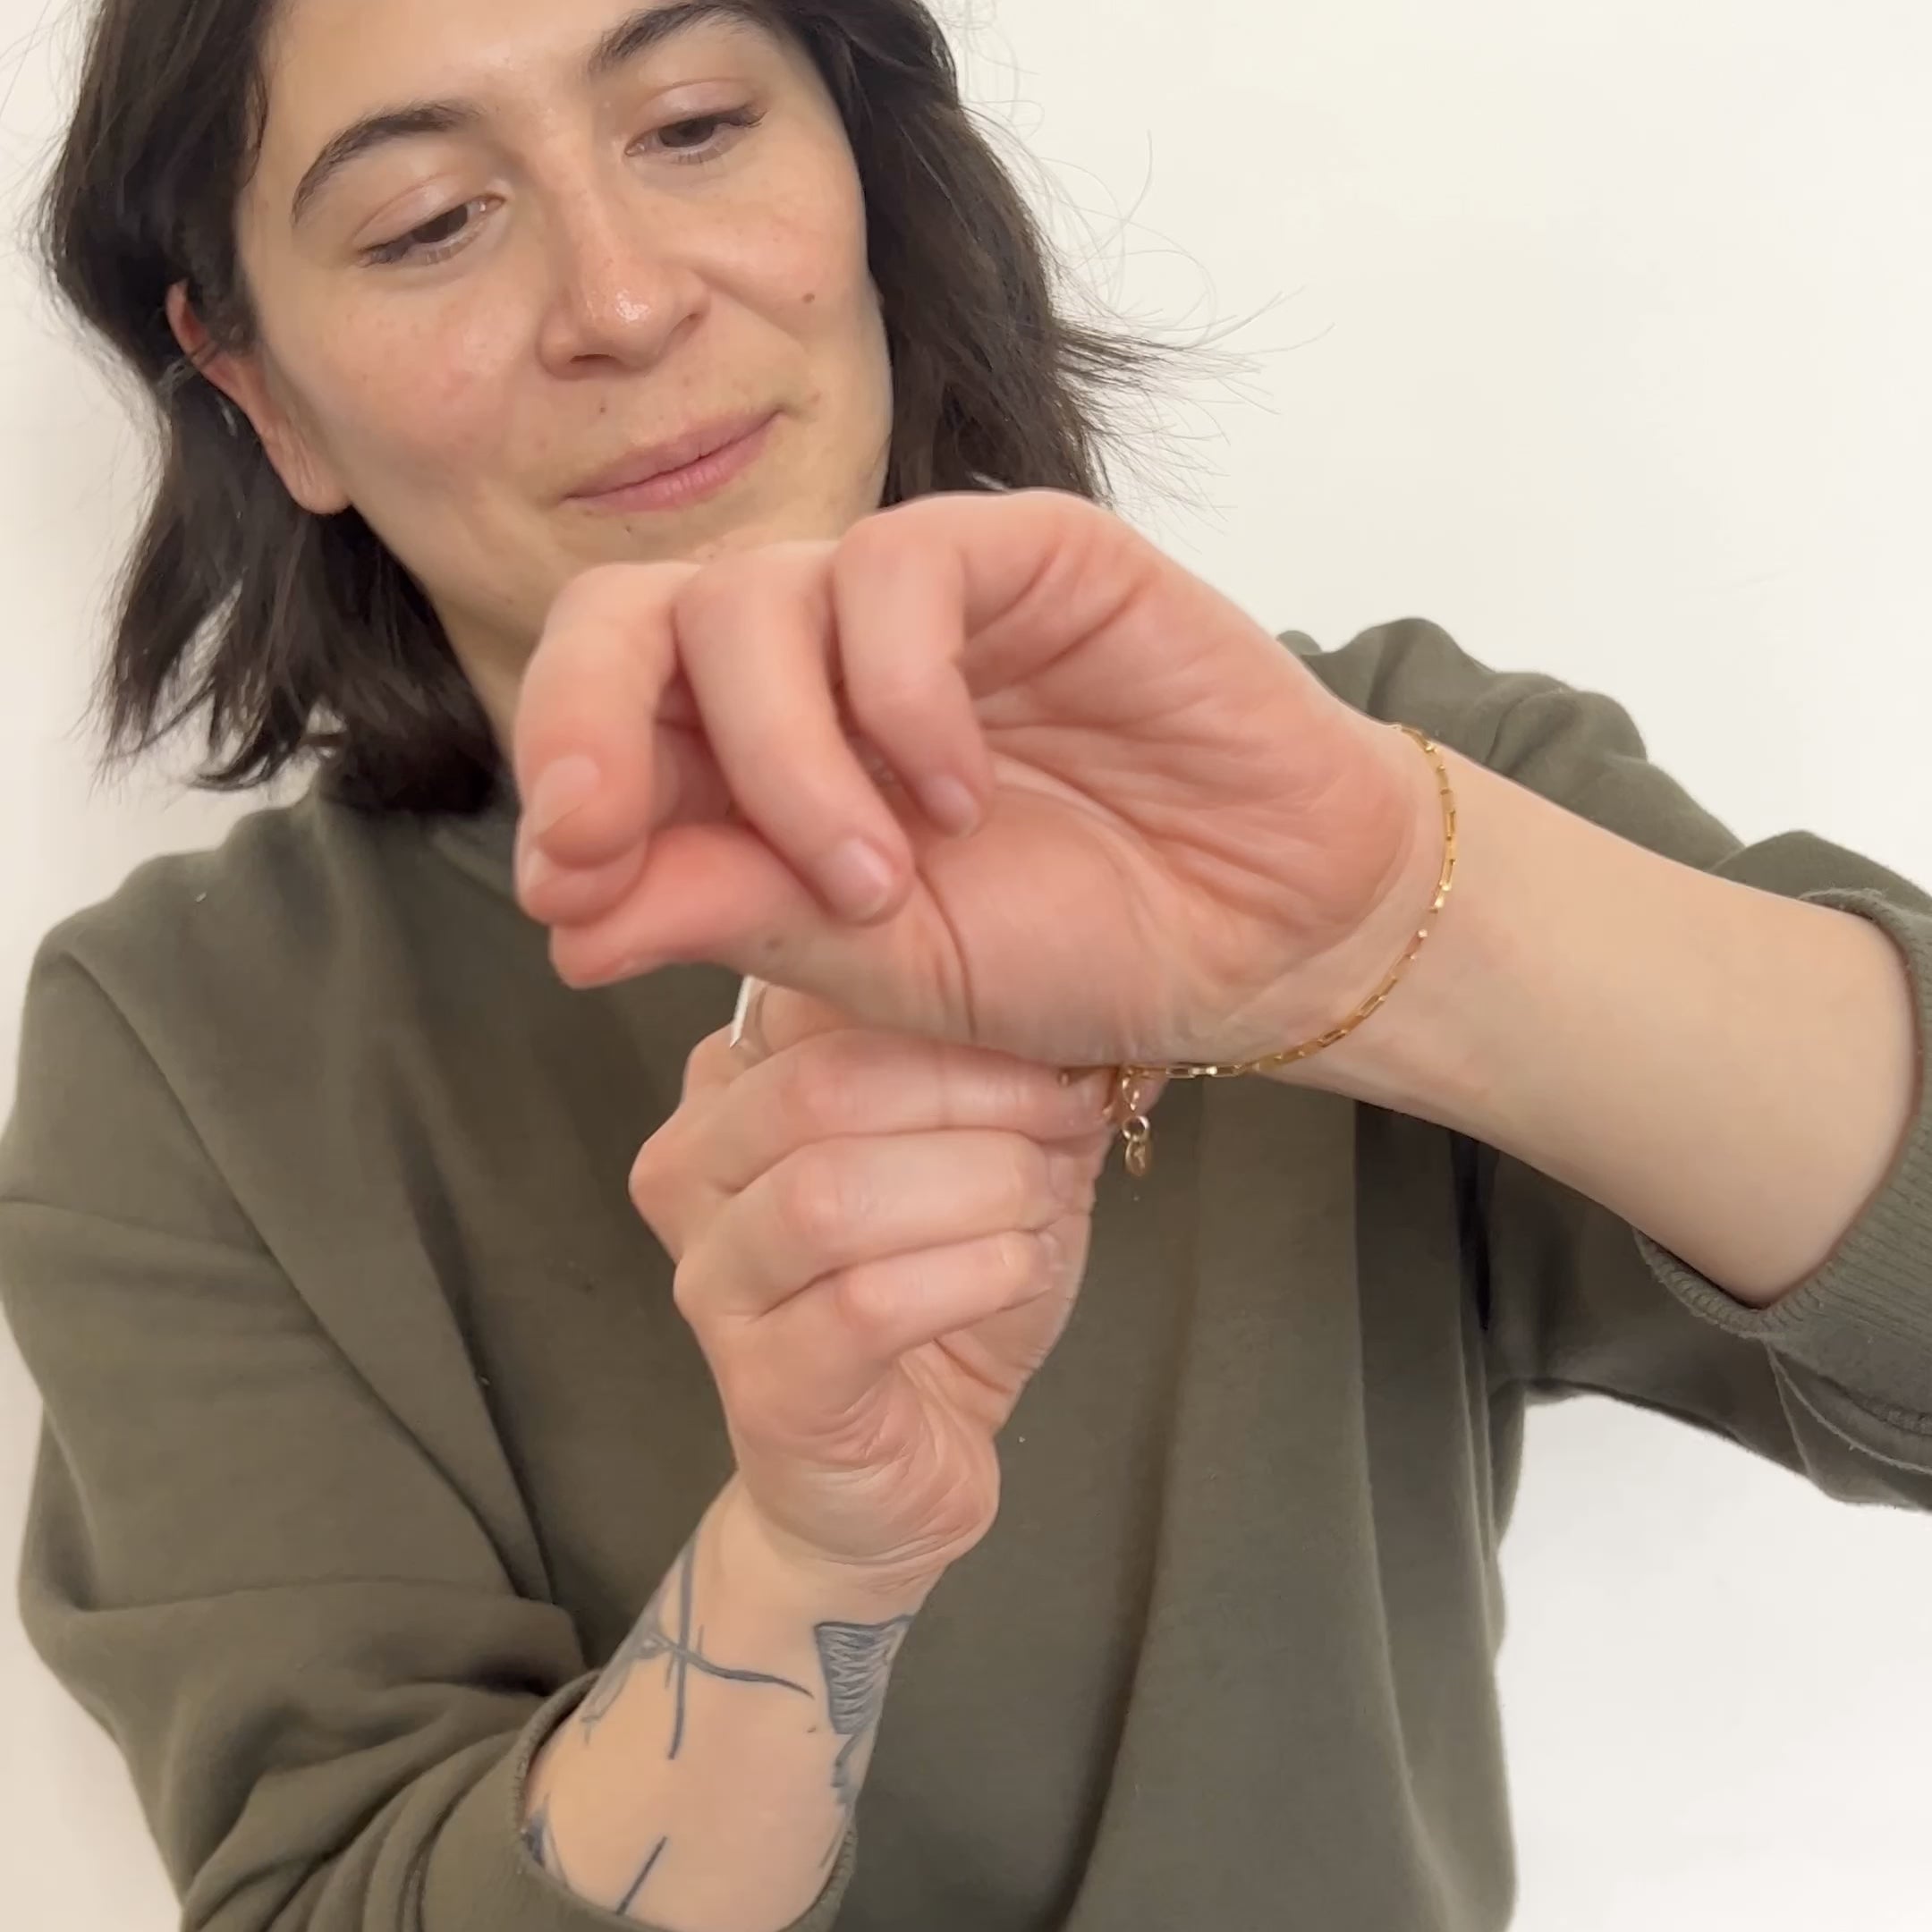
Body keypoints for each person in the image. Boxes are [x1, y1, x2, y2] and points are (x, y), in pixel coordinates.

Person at [2, 1, 1928, 1929]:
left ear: (858, 156)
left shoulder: (1367, 778)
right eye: (429, 221)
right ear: (256, 388)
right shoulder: (190, 1038)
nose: (624, 297)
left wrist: (1385, 936)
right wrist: (815, 1559)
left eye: (688, 125)